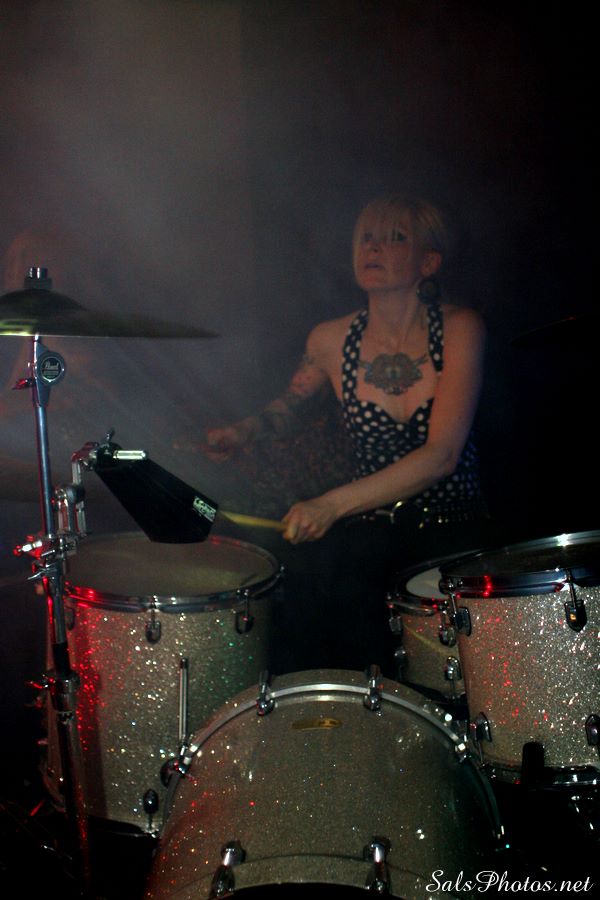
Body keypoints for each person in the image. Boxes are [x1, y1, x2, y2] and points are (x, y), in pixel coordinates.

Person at [203, 193, 495, 677]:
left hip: (453, 533)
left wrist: (329, 505)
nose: (373, 248)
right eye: (366, 238)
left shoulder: (461, 327)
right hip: (371, 537)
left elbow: (441, 455)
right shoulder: (330, 339)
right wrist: (242, 431)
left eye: (394, 238)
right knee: (334, 638)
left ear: (428, 262)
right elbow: (291, 406)